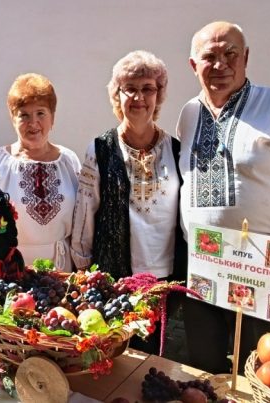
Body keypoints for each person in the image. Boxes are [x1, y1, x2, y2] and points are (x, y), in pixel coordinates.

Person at [177, 21, 270, 373]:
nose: (221, 65)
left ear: (246, 58)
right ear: (193, 65)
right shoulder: (188, 114)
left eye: (231, 54)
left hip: (264, 268)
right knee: (203, 368)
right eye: (209, 56)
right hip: (204, 263)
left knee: (262, 371)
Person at [71, 50, 186, 354]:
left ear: (158, 95)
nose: (139, 97)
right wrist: (85, 275)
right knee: (118, 357)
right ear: (117, 95)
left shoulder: (176, 150)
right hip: (116, 280)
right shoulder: (100, 148)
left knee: (161, 360)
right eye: (129, 89)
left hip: (167, 280)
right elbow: (85, 215)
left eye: (148, 88)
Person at [0, 73, 81, 272]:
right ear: (13, 118)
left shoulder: (69, 161)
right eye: (24, 115)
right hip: (9, 269)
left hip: (60, 270)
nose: (33, 123)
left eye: (41, 113)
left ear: (53, 116)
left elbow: (84, 221)